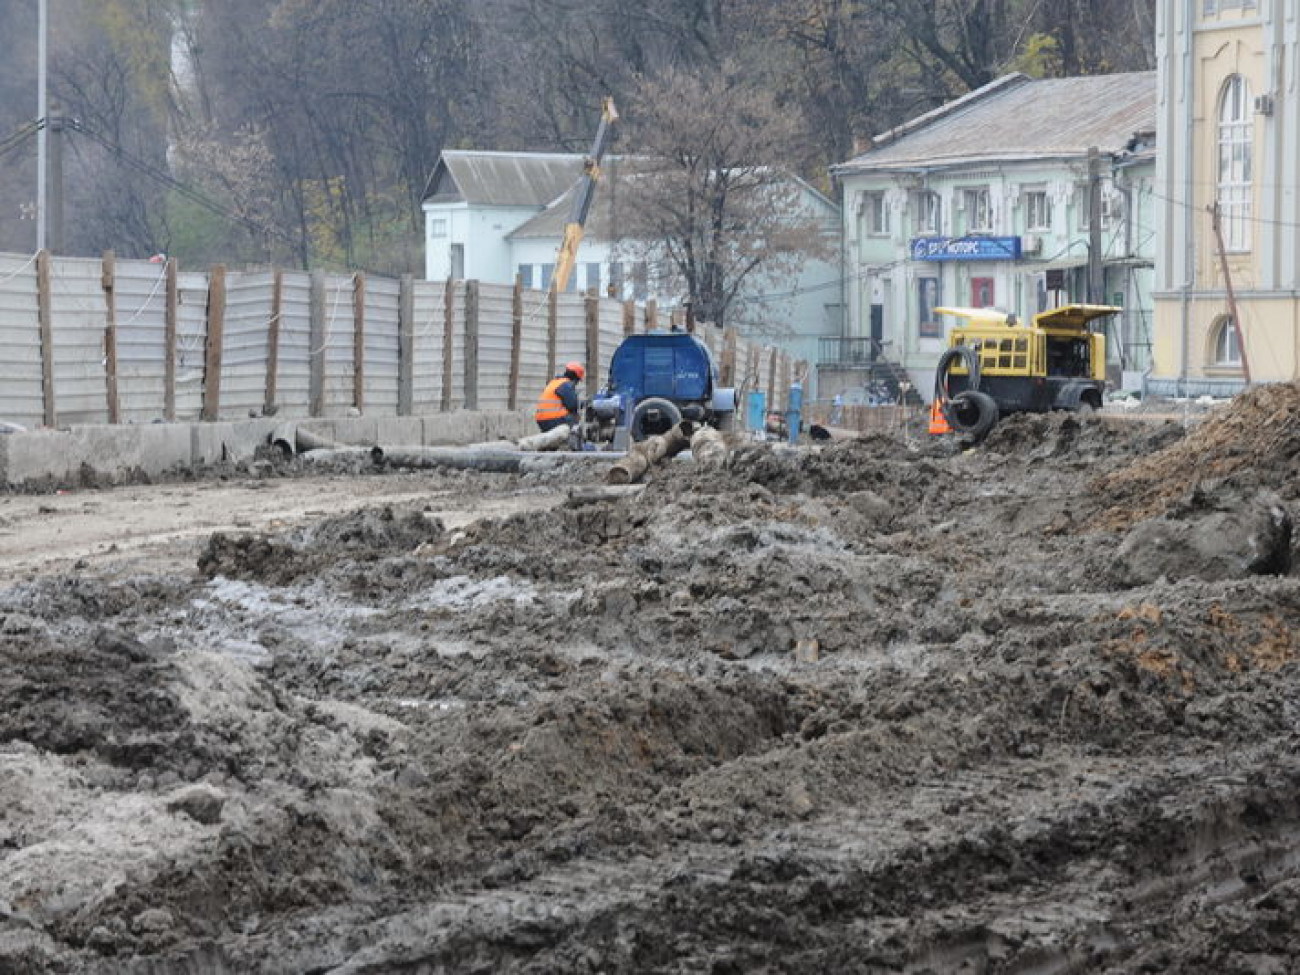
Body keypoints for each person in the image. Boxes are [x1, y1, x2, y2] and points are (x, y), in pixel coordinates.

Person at [534, 361, 585, 432]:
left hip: (541, 420)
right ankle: (575, 441)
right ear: (575, 378)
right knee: (574, 417)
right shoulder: (566, 385)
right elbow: (573, 405)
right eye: (578, 381)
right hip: (553, 419)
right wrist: (584, 403)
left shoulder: (554, 382)